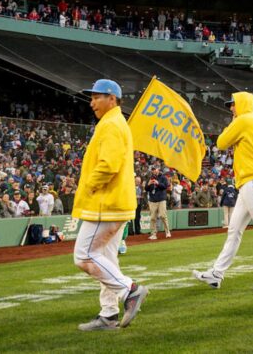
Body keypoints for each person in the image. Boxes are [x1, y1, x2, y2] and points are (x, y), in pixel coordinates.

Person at [72, 79, 148, 331]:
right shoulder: (113, 122)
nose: (92, 102)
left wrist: (88, 185)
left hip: (106, 203)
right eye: (91, 97)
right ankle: (108, 315)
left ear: (112, 99)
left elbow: (109, 164)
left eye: (97, 96)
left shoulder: (112, 124)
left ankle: (130, 291)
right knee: (106, 259)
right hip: (116, 202)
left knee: (84, 256)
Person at [193, 92, 253, 291]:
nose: (231, 109)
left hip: (252, 181)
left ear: (241, 104)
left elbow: (221, 142)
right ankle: (217, 273)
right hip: (252, 181)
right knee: (234, 230)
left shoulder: (243, 120)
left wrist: (234, 121)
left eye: (233, 105)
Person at [146, 166, 171, 240]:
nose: (154, 171)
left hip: (161, 199)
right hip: (152, 200)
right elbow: (146, 189)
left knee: (163, 216)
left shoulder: (163, 177)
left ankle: (167, 232)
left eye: (155, 169)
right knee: (153, 218)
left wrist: (158, 183)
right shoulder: (150, 178)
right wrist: (149, 184)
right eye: (153, 170)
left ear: (158, 170)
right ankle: (153, 234)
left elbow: (165, 186)